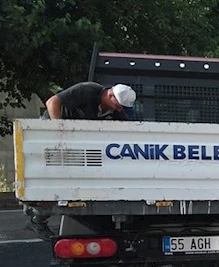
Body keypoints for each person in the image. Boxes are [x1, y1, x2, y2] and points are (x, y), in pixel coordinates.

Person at [27, 82, 137, 240]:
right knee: (54, 178)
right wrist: (59, 131)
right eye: (118, 106)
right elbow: (52, 102)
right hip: (53, 134)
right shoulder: (87, 90)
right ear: (110, 95)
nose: (119, 110)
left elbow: (125, 131)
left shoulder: (114, 111)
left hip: (76, 141)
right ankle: (36, 218)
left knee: (77, 180)